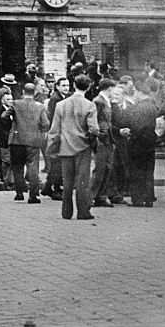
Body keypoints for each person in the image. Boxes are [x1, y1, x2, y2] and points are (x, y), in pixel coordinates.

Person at [47, 74, 99, 220]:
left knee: (67, 181)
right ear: (88, 87)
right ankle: (83, 211)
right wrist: (92, 143)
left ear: (74, 85)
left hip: (65, 146)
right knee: (82, 181)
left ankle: (66, 211)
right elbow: (94, 129)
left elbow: (54, 130)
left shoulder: (60, 105)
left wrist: (52, 148)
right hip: (83, 147)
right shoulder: (90, 105)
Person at [5, 82, 50, 203]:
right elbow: (46, 123)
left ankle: (19, 192)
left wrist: (13, 119)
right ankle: (33, 195)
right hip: (33, 140)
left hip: (16, 139)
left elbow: (4, 115)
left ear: (23, 92)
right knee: (33, 167)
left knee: (17, 167)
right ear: (34, 93)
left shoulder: (15, 104)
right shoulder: (40, 106)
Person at [119, 81, 159, 207]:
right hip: (150, 144)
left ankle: (137, 199)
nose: (135, 94)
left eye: (136, 92)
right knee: (148, 171)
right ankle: (148, 198)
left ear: (140, 92)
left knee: (136, 171)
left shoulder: (137, 108)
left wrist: (130, 134)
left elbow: (136, 126)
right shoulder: (153, 107)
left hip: (137, 144)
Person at [42, 77, 70, 200]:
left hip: (62, 134)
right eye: (63, 85)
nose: (66, 88)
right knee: (57, 163)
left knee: (56, 164)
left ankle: (47, 187)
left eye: (68, 85)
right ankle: (56, 189)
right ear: (57, 86)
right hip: (58, 134)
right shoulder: (55, 99)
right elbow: (54, 118)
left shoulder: (65, 97)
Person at [90, 79, 117, 207]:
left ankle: (101, 196)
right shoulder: (98, 101)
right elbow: (93, 120)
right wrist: (98, 135)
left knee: (107, 168)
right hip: (101, 139)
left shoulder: (106, 101)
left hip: (108, 139)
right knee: (99, 169)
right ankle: (91, 196)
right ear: (109, 88)